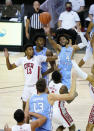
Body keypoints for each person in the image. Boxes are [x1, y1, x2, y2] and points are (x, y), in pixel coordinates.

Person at [4, 44, 57, 110]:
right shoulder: (22, 60)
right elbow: (10, 67)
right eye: (30, 49)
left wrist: (60, 53)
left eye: (32, 49)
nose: (32, 51)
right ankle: (25, 119)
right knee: (24, 105)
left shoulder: (38, 58)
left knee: (38, 106)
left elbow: (52, 58)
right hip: (27, 86)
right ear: (26, 51)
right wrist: (7, 58)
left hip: (36, 87)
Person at [44, 25, 87, 90]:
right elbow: (52, 42)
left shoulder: (73, 48)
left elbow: (85, 43)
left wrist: (80, 33)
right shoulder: (59, 47)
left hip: (68, 75)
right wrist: (48, 33)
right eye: (60, 40)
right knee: (56, 93)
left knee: (67, 96)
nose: (61, 40)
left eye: (63, 39)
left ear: (67, 40)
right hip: (59, 74)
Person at [72, 60, 94, 131]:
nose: (91, 67)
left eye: (93, 66)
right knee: (89, 127)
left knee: (89, 128)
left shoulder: (92, 79)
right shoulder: (91, 77)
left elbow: (81, 73)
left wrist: (73, 61)